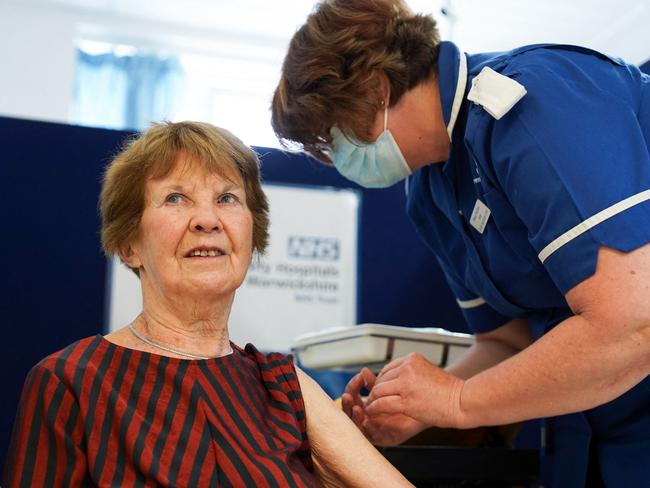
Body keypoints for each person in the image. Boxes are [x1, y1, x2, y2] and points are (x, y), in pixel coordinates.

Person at [271, 0, 650, 485]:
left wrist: (457, 401)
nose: (338, 155)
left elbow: (630, 325)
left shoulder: (535, 103)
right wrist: (422, 404)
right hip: (588, 433)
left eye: (333, 135)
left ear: (377, 89)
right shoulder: (429, 192)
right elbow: (507, 341)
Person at [2, 121, 412, 487]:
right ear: (129, 246)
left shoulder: (283, 386)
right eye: (176, 198)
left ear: (252, 237)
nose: (207, 220)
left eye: (227, 198)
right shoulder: (70, 382)